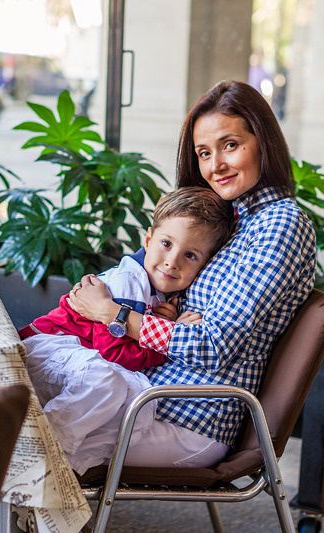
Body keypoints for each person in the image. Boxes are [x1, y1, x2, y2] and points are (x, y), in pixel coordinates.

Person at [65, 79, 317, 473]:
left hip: (187, 420)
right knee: (13, 406)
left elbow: (214, 345)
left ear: (264, 143)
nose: (215, 166)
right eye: (204, 153)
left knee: (25, 438)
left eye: (230, 145)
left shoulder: (279, 224)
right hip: (147, 395)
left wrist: (113, 314)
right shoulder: (230, 219)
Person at [21, 186, 235, 473]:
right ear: (148, 239)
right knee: (106, 382)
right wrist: (167, 343)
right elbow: (114, 354)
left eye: (190, 255)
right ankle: (41, 447)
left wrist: (162, 323)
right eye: (166, 244)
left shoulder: (157, 293)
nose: (172, 262)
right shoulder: (129, 282)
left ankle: (52, 450)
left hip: (69, 361)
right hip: (44, 349)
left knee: (123, 390)